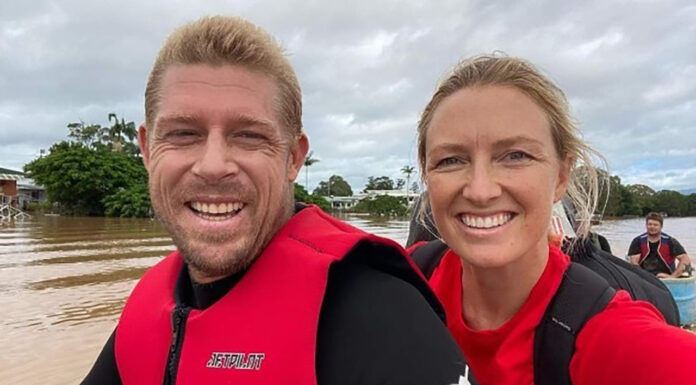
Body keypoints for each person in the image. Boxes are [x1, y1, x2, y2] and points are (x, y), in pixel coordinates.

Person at [81, 16, 470, 385]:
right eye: (184, 133)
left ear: (293, 158)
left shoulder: (381, 317)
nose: (213, 166)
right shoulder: (151, 305)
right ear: (148, 150)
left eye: (249, 136)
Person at [409, 54, 696, 384]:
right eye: (450, 160)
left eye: (516, 156)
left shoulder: (603, 330)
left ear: (560, 176)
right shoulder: (401, 283)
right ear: (427, 177)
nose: (480, 190)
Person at [628, 212, 692, 277]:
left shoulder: (670, 241)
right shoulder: (637, 241)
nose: (652, 227)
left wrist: (673, 277)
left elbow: (685, 259)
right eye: (650, 224)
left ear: (661, 226)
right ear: (646, 225)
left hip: (667, 276)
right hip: (645, 278)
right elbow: (634, 264)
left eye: (655, 225)